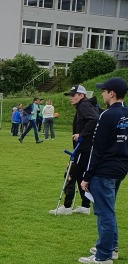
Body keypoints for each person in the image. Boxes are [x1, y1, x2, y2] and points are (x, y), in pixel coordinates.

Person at [78, 77, 128, 264]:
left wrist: (86, 175)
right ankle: (111, 248)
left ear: (112, 93)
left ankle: (103, 255)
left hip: (104, 170)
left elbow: (96, 148)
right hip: (120, 169)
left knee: (104, 212)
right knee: (109, 209)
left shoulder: (107, 115)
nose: (102, 94)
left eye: (104, 91)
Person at [49, 85, 99, 216]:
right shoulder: (86, 105)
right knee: (81, 176)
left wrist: (82, 134)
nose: (70, 98)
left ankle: (67, 206)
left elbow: (94, 119)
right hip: (85, 148)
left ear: (81, 95)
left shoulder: (84, 105)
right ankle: (85, 206)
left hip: (83, 149)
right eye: (70, 95)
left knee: (70, 175)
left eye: (73, 95)